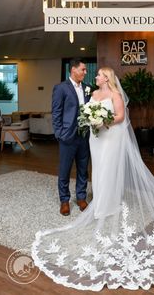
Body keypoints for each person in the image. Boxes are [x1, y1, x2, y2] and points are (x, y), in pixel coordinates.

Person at [32, 67, 154, 291]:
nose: (94, 77)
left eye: (98, 74)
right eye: (93, 73)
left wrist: (102, 122)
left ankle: (105, 204)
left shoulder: (116, 95)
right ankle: (97, 200)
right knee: (97, 170)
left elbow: (119, 117)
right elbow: (80, 112)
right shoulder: (93, 94)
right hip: (94, 140)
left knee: (107, 168)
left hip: (110, 137)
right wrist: (91, 120)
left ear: (106, 78)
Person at [52, 59, 91, 216]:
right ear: (73, 70)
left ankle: (81, 197)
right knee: (65, 170)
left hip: (84, 136)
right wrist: (59, 133)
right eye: (83, 69)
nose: (85, 72)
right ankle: (64, 201)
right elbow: (56, 112)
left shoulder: (88, 88)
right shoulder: (61, 88)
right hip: (67, 136)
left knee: (83, 169)